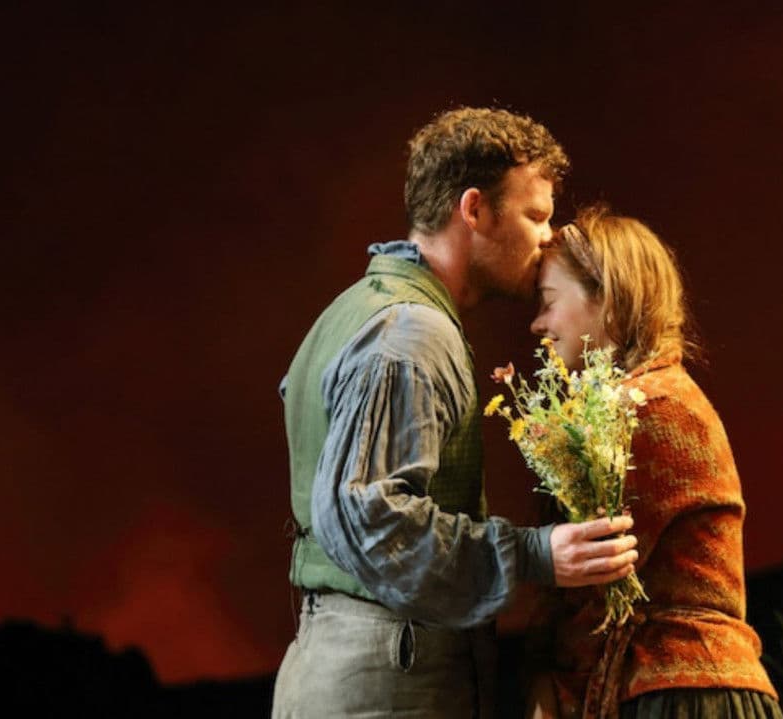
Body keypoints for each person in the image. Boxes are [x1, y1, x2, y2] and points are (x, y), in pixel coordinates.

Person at [271, 108, 640, 719]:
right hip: (389, 680)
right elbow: (370, 518)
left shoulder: (356, 310)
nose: (549, 237)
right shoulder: (411, 332)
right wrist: (533, 554)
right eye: (536, 215)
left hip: (355, 661)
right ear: (474, 210)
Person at [525, 206, 781, 719]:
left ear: (610, 299)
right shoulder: (653, 399)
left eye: (549, 302)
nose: (538, 324)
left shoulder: (648, 408)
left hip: (683, 692)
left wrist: (548, 684)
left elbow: (597, 584)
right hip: (675, 687)